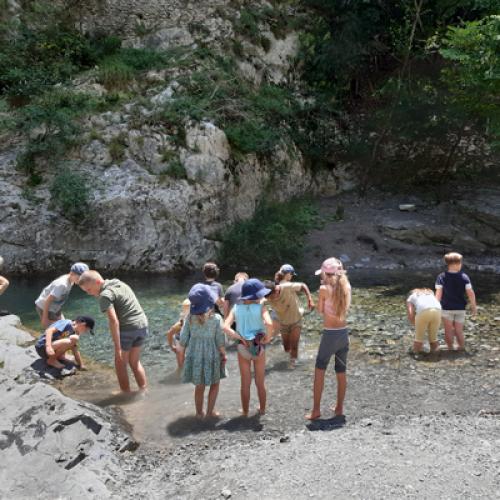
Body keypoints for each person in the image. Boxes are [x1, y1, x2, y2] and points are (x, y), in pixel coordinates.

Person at [79, 270, 148, 392]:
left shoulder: (105, 296)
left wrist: (117, 347)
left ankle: (125, 394)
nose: (89, 293)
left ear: (98, 282)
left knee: (120, 363)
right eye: (86, 291)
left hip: (128, 328)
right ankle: (143, 390)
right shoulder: (118, 283)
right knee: (134, 362)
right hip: (142, 325)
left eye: (89, 290)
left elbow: (114, 321)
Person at [306, 258, 351, 420]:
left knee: (319, 370)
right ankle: (339, 407)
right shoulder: (347, 286)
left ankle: (316, 410)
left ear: (326, 273)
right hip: (344, 334)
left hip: (330, 334)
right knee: (341, 371)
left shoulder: (323, 289)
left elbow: (320, 311)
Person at [223, 279, 273, 416]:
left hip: (243, 347)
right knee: (260, 382)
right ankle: (262, 409)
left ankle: (245, 412)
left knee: (245, 383)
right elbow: (269, 324)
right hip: (259, 347)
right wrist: (267, 338)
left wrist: (240, 338)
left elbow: (225, 327)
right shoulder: (261, 307)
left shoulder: (236, 308)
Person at [178, 284, 226, 418]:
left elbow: (182, 342)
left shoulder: (189, 319)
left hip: (195, 357)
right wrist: (224, 354)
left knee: (199, 387)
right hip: (212, 357)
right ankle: (210, 413)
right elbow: (220, 341)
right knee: (215, 384)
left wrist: (181, 363)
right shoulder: (216, 319)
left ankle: (199, 413)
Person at [264, 277, 314, 369]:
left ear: (275, 290)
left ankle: (293, 363)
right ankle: (290, 357)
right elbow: (257, 304)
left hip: (296, 320)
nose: (270, 299)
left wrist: (309, 299)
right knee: (286, 347)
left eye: (271, 297)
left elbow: (303, 285)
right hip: (283, 323)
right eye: (268, 298)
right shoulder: (267, 297)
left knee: (294, 345)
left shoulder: (286, 287)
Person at [435, 252, 477, 351]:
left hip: (446, 308)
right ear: (456, 264)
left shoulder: (441, 277)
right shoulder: (464, 277)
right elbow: (470, 293)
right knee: (459, 330)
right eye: (461, 263)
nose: (461, 265)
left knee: (448, 330)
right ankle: (461, 348)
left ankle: (450, 348)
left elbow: (438, 294)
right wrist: (473, 306)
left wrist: (435, 307)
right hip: (460, 309)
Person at [35, 262, 89, 328]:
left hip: (55, 307)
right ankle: (48, 337)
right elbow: (48, 300)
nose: (81, 281)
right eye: (79, 278)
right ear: (72, 273)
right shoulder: (62, 285)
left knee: (64, 325)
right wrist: (45, 318)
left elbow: (60, 298)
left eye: (83, 279)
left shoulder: (71, 280)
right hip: (45, 307)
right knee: (56, 328)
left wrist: (59, 313)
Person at [406, 288, 441, 354]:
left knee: (418, 339)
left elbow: (410, 314)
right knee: (433, 339)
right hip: (438, 311)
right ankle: (436, 356)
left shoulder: (411, 297)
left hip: (424, 311)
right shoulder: (430, 294)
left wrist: (415, 324)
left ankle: (416, 355)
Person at [271, 264, 296, 339]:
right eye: (291, 274)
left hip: (275, 312)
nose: (292, 276)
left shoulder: (275, 282)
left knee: (273, 335)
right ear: (287, 274)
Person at [166, 298, 190, 369]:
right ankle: (181, 371)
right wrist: (172, 346)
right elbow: (169, 333)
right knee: (180, 353)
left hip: (191, 338)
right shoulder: (180, 325)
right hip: (180, 338)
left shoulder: (198, 321)